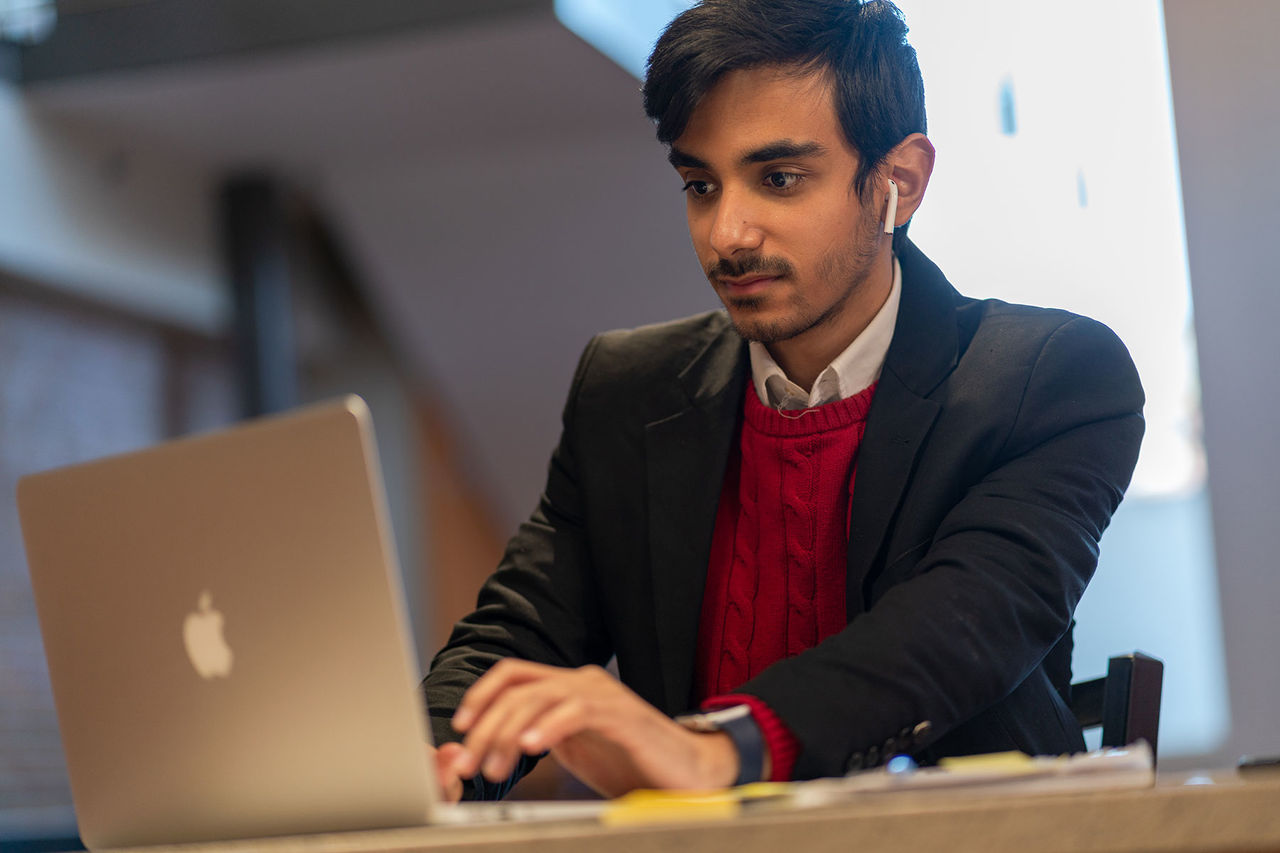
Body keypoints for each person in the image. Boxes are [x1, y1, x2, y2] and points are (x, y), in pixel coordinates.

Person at [421, 0, 1144, 801]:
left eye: (779, 178)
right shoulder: (627, 392)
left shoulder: (1051, 380)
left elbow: (957, 630)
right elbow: (521, 630)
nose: (727, 232)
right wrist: (432, 761)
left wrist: (719, 748)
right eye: (700, 183)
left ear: (898, 181)